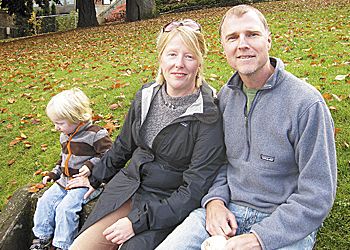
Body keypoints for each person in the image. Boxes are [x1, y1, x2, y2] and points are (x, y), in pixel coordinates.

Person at [157, 5, 337, 250]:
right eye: (232, 37)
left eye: (251, 34)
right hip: (227, 211)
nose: (242, 44)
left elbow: (317, 193)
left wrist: (259, 239)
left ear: (268, 40)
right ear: (224, 48)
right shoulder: (225, 99)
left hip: (283, 222)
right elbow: (219, 162)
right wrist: (214, 202)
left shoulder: (306, 104)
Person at [68, 19, 226, 250]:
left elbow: (194, 189)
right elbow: (124, 145)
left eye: (189, 56)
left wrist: (136, 222)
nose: (179, 64)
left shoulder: (208, 114)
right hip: (128, 186)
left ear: (199, 62)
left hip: (167, 203)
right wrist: (95, 176)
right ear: (160, 57)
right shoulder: (146, 95)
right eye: (172, 54)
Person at [30, 88, 113, 250]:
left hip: (86, 183)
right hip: (65, 181)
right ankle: (42, 237)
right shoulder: (65, 135)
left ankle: (63, 244)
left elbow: (109, 156)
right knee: (45, 201)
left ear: (76, 118)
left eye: (60, 123)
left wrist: (90, 166)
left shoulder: (96, 134)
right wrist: (54, 173)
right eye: (55, 123)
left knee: (66, 209)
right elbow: (63, 158)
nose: (56, 127)